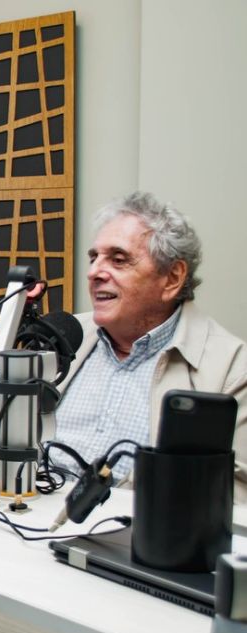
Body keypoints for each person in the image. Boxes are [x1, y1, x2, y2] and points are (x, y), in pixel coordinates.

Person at [52, 191, 245, 503]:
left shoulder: (231, 370)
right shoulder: (63, 337)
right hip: (23, 525)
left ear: (172, 278)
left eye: (118, 259)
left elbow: (235, 496)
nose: (94, 272)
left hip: (135, 541)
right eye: (94, 258)